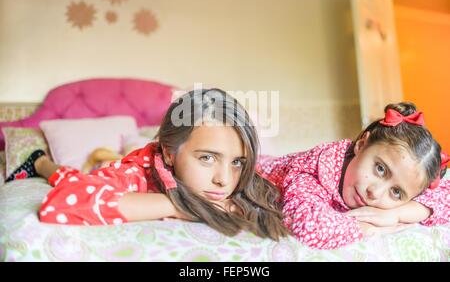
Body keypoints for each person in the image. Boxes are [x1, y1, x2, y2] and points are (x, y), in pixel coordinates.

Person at [6, 88, 290, 240]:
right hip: (125, 167)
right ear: (168, 153)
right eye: (207, 157)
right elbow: (63, 204)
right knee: (72, 178)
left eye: (237, 161)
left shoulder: (240, 175)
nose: (224, 180)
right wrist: (184, 206)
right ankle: (40, 161)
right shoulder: (134, 172)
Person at [256, 102, 449, 249]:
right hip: (259, 169)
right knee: (254, 153)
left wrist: (394, 214)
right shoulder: (314, 172)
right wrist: (371, 228)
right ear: (361, 144)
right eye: (380, 169)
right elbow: (308, 227)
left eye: (396, 192)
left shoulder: (406, 182)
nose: (375, 192)